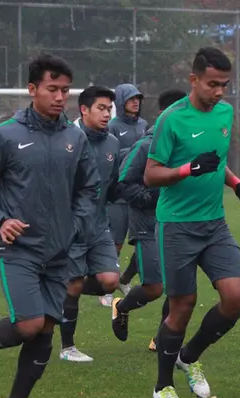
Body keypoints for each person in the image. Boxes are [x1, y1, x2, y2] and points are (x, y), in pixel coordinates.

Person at [0, 54, 99, 398]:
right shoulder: (5, 135)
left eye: (65, 90)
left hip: (60, 251)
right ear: (32, 89)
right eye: (52, 89)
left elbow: (89, 189)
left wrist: (75, 225)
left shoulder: (75, 140)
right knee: (29, 325)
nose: (60, 97)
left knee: (45, 331)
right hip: (17, 249)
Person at [144, 47, 240, 398]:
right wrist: (185, 169)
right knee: (183, 305)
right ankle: (163, 386)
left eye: (224, 84)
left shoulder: (224, 113)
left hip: (215, 224)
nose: (219, 92)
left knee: (236, 298)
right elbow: (150, 175)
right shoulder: (171, 120)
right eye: (212, 84)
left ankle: (189, 356)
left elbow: (215, 161)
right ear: (194, 80)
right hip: (177, 225)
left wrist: (238, 185)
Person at [113, 88, 188, 353]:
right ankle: (121, 306)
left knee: (179, 289)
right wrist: (151, 198)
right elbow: (123, 183)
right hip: (147, 225)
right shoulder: (146, 145)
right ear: (166, 114)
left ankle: (161, 338)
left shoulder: (184, 144)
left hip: (177, 224)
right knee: (155, 288)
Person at [58, 85, 122, 363]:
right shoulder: (66, 139)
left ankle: (57, 286)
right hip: (70, 227)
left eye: (109, 108)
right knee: (72, 286)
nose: (107, 113)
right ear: (84, 110)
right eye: (101, 108)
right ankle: (67, 347)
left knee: (110, 282)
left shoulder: (113, 144)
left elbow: (115, 186)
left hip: (99, 227)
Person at [103, 83, 148, 306]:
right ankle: (105, 289)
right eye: (131, 98)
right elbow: (109, 156)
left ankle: (125, 278)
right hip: (119, 194)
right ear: (120, 101)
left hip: (140, 193)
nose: (136, 102)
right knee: (117, 243)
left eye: (138, 98)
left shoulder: (144, 125)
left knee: (144, 241)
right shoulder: (112, 126)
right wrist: (133, 153)